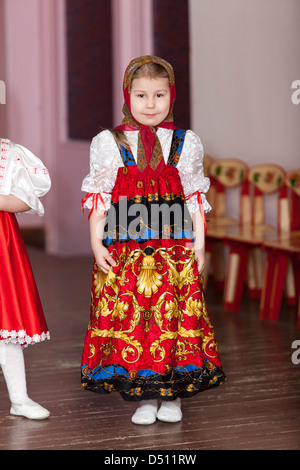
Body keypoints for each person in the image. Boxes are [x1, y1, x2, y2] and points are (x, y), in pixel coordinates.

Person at [81, 55, 225, 425]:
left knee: (173, 320)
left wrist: (200, 244)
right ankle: (145, 396)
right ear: (127, 96)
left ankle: (173, 395)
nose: (150, 105)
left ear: (171, 96)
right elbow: (99, 198)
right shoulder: (108, 142)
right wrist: (97, 245)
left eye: (159, 95)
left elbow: (194, 198)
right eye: (141, 95)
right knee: (136, 323)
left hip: (175, 247)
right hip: (126, 245)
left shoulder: (185, 142)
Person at [0, 138, 51, 420]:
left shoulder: (8, 154)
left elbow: (26, 199)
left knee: (5, 325)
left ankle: (19, 398)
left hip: (0, 246)